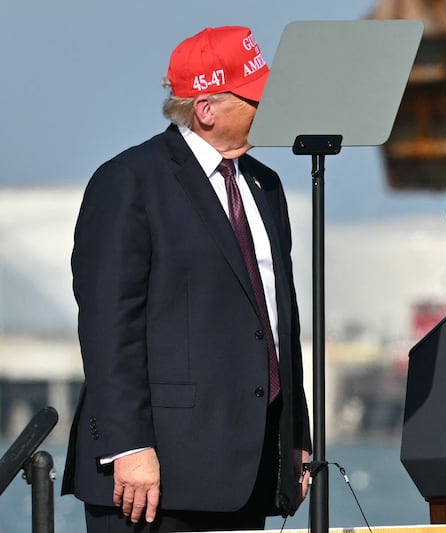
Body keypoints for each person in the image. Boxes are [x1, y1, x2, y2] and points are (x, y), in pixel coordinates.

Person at [62, 26, 312, 532]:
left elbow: (278, 318)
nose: (268, 107)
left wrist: (295, 436)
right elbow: (110, 328)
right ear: (206, 108)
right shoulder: (129, 181)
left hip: (246, 470)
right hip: (154, 480)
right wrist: (129, 447)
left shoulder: (265, 185)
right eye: (255, 97)